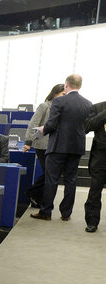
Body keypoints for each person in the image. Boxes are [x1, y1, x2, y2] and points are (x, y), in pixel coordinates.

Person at [31, 74, 92, 221]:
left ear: (66, 85)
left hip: (58, 146)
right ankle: (66, 214)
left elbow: (51, 124)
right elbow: (88, 127)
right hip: (76, 147)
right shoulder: (88, 104)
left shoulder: (59, 101)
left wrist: (42, 130)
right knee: (71, 180)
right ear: (80, 86)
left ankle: (46, 212)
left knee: (52, 179)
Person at [23, 84, 66, 207]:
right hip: (42, 145)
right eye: (63, 94)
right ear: (55, 93)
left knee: (51, 173)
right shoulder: (44, 106)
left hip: (56, 145)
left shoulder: (63, 107)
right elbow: (33, 124)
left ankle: (36, 195)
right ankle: (34, 194)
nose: (64, 97)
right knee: (49, 172)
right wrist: (28, 142)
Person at [83, 101, 106, 232]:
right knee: (95, 191)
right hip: (101, 156)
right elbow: (87, 126)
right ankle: (92, 221)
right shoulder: (98, 107)